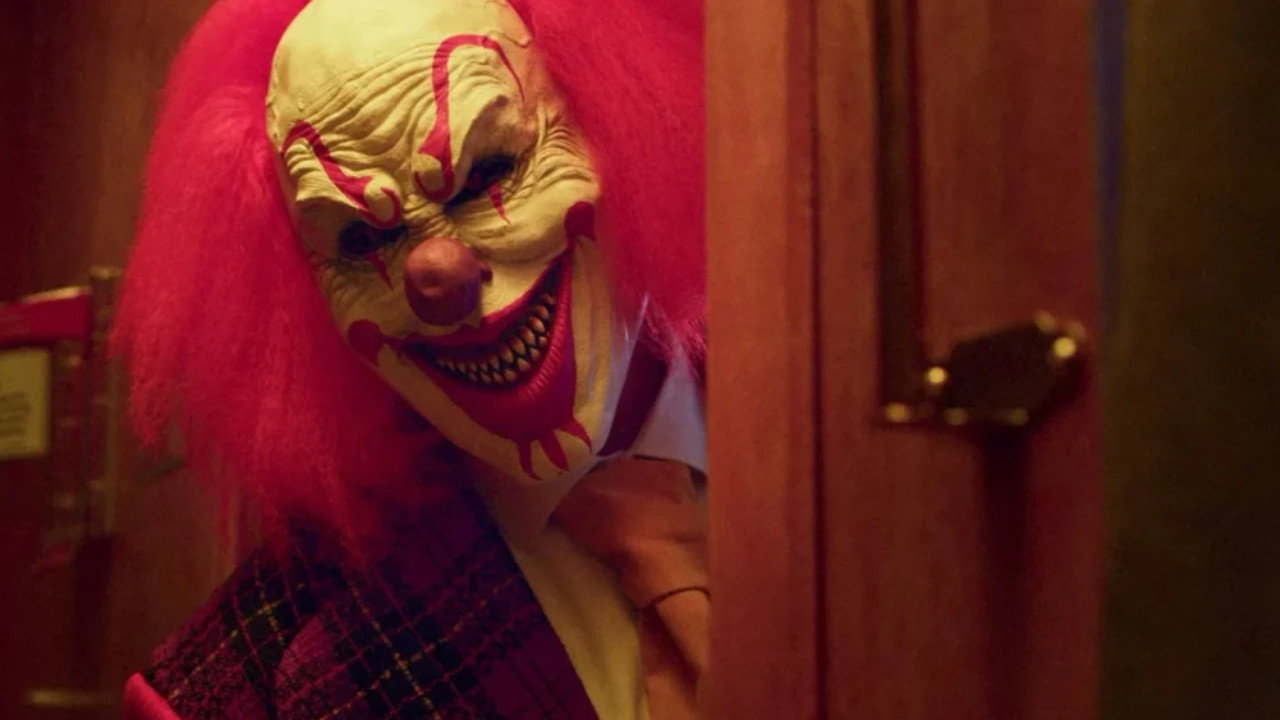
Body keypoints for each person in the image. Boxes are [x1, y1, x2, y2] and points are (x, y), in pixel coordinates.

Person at [114, 0, 706, 718]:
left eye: (490, 169)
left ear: (620, 119)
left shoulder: (827, 399)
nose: (438, 278)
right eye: (360, 241)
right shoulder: (240, 690)